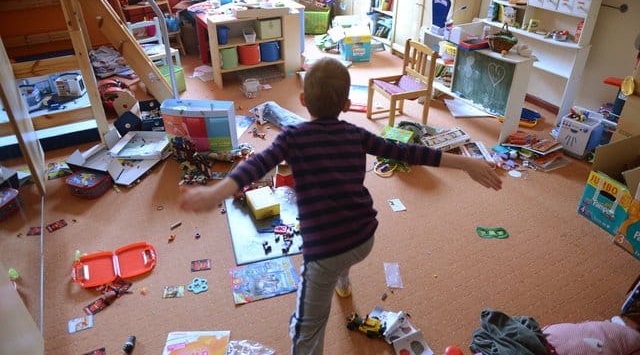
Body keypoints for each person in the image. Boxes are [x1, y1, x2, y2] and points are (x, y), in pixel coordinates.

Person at [179, 57, 502, 354]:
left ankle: (338, 279)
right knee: (342, 248)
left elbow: (255, 165)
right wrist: (465, 164)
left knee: (307, 328)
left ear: (303, 101)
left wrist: (216, 192)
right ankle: (344, 283)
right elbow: (407, 152)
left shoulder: (292, 138)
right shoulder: (358, 134)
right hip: (364, 238)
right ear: (348, 105)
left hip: (324, 253)